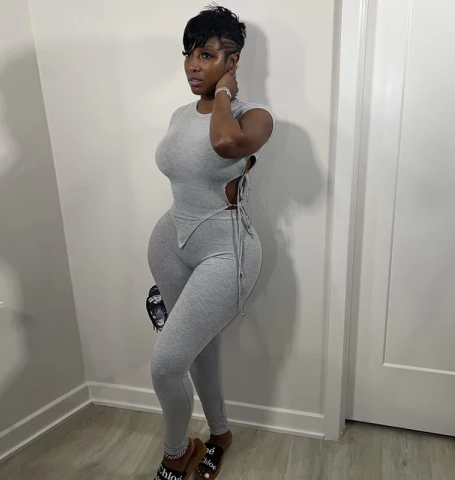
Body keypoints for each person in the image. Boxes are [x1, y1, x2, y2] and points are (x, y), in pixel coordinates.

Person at [148, 5, 274, 479]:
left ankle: (176, 451)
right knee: (198, 350)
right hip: (171, 243)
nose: (193, 66)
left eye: (206, 55)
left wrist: (224, 94)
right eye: (189, 55)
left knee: (165, 365)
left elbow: (224, 144)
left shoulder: (254, 117)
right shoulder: (180, 115)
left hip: (225, 250)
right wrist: (215, 91)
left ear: (232, 61)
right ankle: (219, 433)